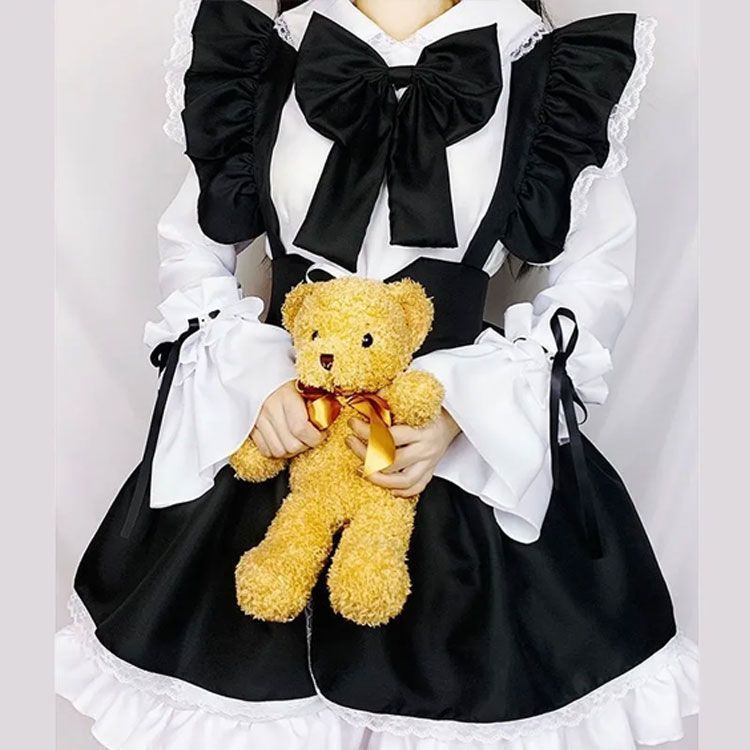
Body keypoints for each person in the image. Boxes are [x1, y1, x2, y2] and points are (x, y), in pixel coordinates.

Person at [56, 1, 699, 748]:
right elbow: (194, 245)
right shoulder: (264, 57)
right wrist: (254, 383)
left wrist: (464, 412)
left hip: (444, 448)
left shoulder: (545, 71)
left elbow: (593, 282)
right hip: (287, 428)